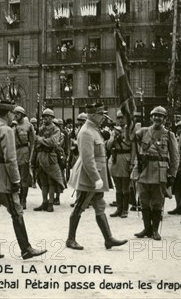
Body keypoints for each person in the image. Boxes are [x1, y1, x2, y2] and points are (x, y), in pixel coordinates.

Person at [0, 100, 47, 260]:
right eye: (13, 113)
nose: (13, 117)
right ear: (8, 113)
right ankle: (26, 249)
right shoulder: (6, 130)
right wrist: (16, 181)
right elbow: (10, 158)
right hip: (2, 176)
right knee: (16, 210)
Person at [66, 103, 127, 250]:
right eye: (101, 115)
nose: (103, 118)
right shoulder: (86, 132)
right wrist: (96, 179)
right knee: (80, 205)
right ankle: (70, 239)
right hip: (89, 177)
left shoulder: (93, 130)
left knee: (99, 205)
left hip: (96, 176)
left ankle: (108, 238)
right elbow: (88, 159)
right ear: (92, 115)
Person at [132, 106, 178, 241]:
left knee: (157, 202)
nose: (157, 118)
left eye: (161, 116)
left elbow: (175, 157)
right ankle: (147, 228)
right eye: (155, 116)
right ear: (151, 117)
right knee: (144, 201)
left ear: (164, 119)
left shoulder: (169, 135)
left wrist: (172, 174)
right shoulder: (143, 131)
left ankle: (155, 230)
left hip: (160, 172)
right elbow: (131, 137)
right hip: (144, 170)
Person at [32, 109, 65, 212]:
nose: (45, 118)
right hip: (40, 156)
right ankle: (44, 202)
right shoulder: (40, 129)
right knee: (43, 181)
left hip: (50, 156)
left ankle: (51, 202)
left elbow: (53, 142)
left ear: (52, 118)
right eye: (44, 116)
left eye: (48, 117)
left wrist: (41, 140)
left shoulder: (56, 129)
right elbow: (35, 142)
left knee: (51, 181)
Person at [106, 110, 135, 218]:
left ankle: (125, 209)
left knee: (125, 187)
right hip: (115, 159)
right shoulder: (114, 131)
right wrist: (114, 137)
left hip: (126, 158)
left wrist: (132, 162)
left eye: (122, 117)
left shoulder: (130, 131)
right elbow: (108, 146)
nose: (120, 120)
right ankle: (119, 208)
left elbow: (133, 149)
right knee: (118, 187)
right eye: (118, 118)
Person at [13, 106, 35, 209]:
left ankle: (23, 200)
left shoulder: (28, 126)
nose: (15, 115)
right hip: (14, 153)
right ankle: (16, 199)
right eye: (14, 113)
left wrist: (31, 157)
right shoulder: (12, 126)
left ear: (22, 114)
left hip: (24, 152)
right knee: (15, 178)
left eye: (17, 113)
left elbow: (33, 143)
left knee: (24, 178)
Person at [168, 120, 181, 216]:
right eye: (179, 127)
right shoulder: (174, 138)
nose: (180, 129)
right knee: (176, 188)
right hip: (176, 167)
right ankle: (178, 206)